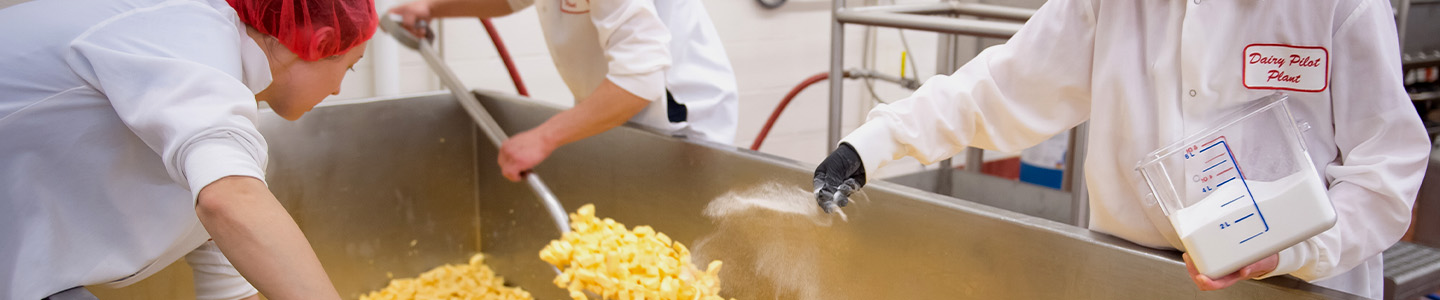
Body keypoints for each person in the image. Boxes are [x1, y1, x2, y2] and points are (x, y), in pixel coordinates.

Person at [810, 0, 1428, 298]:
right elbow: (1000, 89)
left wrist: (1286, 246)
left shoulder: (1338, 4)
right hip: (1132, 278)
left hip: (1298, 286)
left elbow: (1388, 173)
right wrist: (871, 145)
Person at [0, 0, 377, 298]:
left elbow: (229, 270)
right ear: (319, 42)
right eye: (350, 66)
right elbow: (229, 201)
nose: (338, 90)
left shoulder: (212, 93)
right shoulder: (191, 44)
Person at [386, 0, 739, 182]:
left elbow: (639, 80)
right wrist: (433, 7)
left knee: (669, 258)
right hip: (615, 111)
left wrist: (542, 138)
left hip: (679, 122)